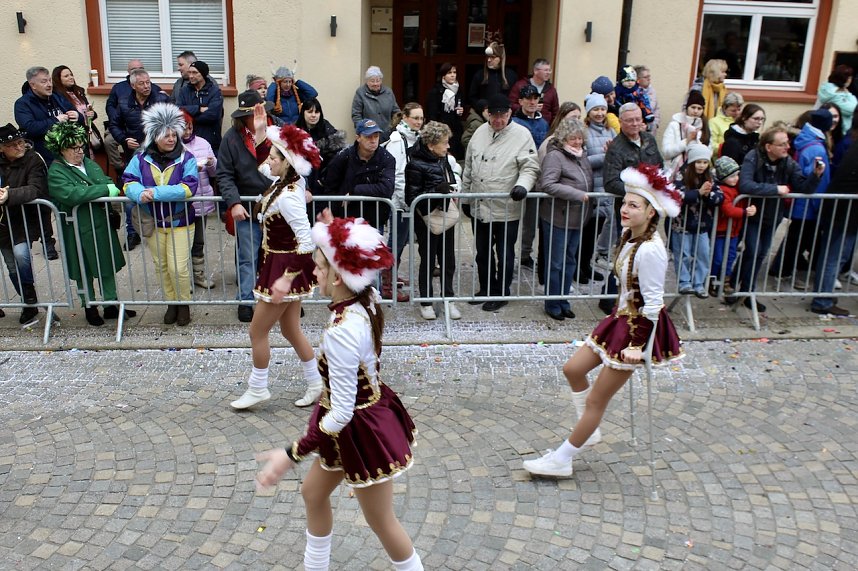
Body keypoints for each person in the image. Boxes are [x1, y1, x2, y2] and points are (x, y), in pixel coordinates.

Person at [254, 212, 422, 571]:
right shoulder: (364, 298)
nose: (314, 273)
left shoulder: (343, 330)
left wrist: (290, 454)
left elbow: (343, 410)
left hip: (360, 428)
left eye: (319, 267)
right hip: (346, 417)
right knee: (313, 493)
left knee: (381, 520)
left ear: (339, 274)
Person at [522, 164, 684, 478]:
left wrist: (638, 347)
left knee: (597, 399)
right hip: (619, 320)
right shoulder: (629, 237)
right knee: (573, 369)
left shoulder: (651, 250)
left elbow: (652, 304)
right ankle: (588, 431)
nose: (625, 209)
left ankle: (564, 457)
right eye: (624, 203)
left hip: (638, 330)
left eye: (634, 206)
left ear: (651, 213)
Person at [231, 124, 324, 410]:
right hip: (276, 263)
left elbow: (306, 242)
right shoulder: (283, 184)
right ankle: (316, 383)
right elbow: (263, 167)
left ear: (287, 164)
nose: (267, 161)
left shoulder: (288, 196)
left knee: (256, 332)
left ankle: (258, 388)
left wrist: (288, 279)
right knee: (291, 330)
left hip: (285, 268)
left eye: (273, 157)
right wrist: (264, 135)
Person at [45, 121, 135, 326]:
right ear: (61, 149)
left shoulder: (88, 163)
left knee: (106, 264)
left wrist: (99, 188)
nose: (79, 151)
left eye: (81, 146)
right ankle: (89, 306)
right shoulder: (57, 171)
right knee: (82, 268)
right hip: (75, 227)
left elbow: (106, 181)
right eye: (74, 148)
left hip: (99, 223)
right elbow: (73, 194)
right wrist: (102, 191)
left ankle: (111, 304)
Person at [729, 126, 824, 312]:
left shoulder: (787, 162)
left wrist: (815, 175)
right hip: (752, 214)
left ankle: (740, 288)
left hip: (773, 216)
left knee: (760, 253)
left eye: (787, 143)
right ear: (768, 147)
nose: (787, 147)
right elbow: (746, 184)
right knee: (753, 251)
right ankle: (743, 291)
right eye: (782, 144)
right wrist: (775, 189)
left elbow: (803, 188)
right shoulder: (753, 158)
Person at [461, 94, 539, 312]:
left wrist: (523, 186)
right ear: (487, 114)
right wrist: (466, 197)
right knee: (483, 252)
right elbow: (469, 167)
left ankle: (501, 292)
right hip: (480, 204)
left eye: (502, 115)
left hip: (506, 207)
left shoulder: (522, 135)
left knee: (505, 253)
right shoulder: (479, 133)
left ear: (509, 113)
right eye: (493, 115)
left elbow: (530, 166)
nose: (497, 120)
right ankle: (486, 288)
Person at [122, 103, 199, 326]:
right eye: (166, 135)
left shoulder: (187, 158)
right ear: (154, 136)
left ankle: (184, 303)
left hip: (181, 223)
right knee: (162, 266)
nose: (172, 139)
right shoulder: (140, 158)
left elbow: (188, 188)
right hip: (154, 224)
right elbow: (128, 182)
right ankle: (171, 303)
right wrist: (139, 194)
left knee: (178, 267)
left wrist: (154, 193)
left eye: (174, 134)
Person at [217, 90, 278, 323]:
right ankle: (245, 301)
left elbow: (292, 165)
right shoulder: (231, 139)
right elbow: (224, 175)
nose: (257, 117)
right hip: (247, 207)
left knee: (278, 256)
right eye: (252, 114)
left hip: (276, 206)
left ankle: (281, 299)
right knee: (247, 257)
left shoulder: (277, 134)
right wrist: (233, 203)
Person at [599, 103, 664, 314]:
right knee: (626, 253)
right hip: (629, 212)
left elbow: (659, 167)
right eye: (629, 120)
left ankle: (639, 295)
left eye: (638, 119)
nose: (635, 123)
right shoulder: (616, 147)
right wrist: (638, 191)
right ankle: (609, 296)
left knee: (644, 254)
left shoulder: (649, 140)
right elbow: (610, 182)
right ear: (621, 122)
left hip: (649, 210)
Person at [405, 120, 462, 321]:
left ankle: (448, 299)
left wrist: (452, 188)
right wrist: (437, 192)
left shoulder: (443, 159)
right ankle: (426, 302)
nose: (448, 146)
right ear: (431, 145)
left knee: (448, 261)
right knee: (428, 261)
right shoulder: (414, 164)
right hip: (426, 220)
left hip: (445, 216)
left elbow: (449, 180)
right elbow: (412, 198)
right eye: (444, 142)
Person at [538, 118, 593, 321]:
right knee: (556, 262)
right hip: (558, 217)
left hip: (578, 218)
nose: (577, 142)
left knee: (570, 261)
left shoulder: (582, 156)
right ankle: (552, 303)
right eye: (573, 138)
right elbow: (548, 184)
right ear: (563, 138)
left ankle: (563, 300)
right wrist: (575, 194)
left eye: (580, 138)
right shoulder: (555, 156)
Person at [768, 108, 832, 281]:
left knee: (800, 237)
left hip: (804, 203)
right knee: (797, 238)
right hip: (809, 203)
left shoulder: (807, 141)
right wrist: (819, 204)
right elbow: (816, 179)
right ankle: (781, 271)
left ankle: (787, 269)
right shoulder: (816, 148)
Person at [0, 123, 50, 325]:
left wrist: (8, 195)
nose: (20, 147)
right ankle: (29, 303)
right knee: (11, 263)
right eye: (13, 144)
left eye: (21, 142)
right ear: (2, 148)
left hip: (23, 220)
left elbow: (36, 189)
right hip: (2, 223)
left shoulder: (33, 159)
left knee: (21, 255)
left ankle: (29, 295)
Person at [810, 126, 858, 316]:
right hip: (845, 212)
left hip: (842, 210)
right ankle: (822, 300)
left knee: (834, 255)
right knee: (835, 256)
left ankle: (824, 294)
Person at [669, 142, 723, 298]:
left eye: (705, 162)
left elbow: (719, 197)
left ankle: (699, 283)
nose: (701, 166)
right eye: (698, 162)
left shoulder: (710, 177)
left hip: (703, 224)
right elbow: (678, 195)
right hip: (682, 224)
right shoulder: (681, 174)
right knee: (683, 254)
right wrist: (698, 193)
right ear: (691, 161)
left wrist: (708, 196)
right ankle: (684, 282)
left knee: (703, 254)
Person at [322, 119, 395, 233]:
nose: (373, 140)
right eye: (368, 137)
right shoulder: (343, 157)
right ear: (358, 137)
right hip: (346, 219)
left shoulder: (386, 158)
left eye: (376, 136)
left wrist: (355, 191)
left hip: (374, 220)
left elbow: (387, 188)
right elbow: (330, 188)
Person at [383, 102, 424, 289]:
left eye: (421, 118)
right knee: (396, 241)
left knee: (403, 239)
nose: (419, 121)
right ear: (405, 117)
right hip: (400, 202)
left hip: (409, 201)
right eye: (415, 118)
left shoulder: (416, 138)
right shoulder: (397, 140)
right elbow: (398, 174)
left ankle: (392, 276)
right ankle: (386, 282)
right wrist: (404, 202)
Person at [512, 85, 550, 270]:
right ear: (520, 101)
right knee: (511, 218)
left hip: (538, 177)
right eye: (528, 98)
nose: (532, 102)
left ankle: (526, 254)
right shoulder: (514, 122)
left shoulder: (544, 123)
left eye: (535, 98)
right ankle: (508, 253)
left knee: (531, 219)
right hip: (516, 176)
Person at [179, 110, 217, 289]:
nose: (187, 132)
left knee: (199, 240)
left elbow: (215, 172)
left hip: (202, 199)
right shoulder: (172, 146)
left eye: (189, 128)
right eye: (183, 129)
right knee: (182, 241)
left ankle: (199, 274)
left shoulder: (203, 143)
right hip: (183, 202)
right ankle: (184, 277)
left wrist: (211, 164)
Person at [710, 156, 756, 297]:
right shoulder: (722, 190)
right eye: (732, 176)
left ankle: (725, 280)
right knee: (717, 258)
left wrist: (751, 207)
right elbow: (728, 209)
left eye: (737, 175)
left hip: (734, 231)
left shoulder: (738, 189)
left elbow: (744, 202)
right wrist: (744, 212)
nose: (736, 178)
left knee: (730, 256)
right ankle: (712, 280)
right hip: (721, 231)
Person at [295, 97, 347, 199]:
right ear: (303, 112)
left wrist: (323, 180)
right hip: (300, 184)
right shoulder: (295, 132)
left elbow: (338, 159)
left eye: (317, 112)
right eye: (310, 112)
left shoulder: (329, 132)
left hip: (323, 185)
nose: (314, 115)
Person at [175, 61, 224, 153]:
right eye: (189, 72)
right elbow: (178, 110)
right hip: (188, 141)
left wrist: (189, 117)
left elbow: (213, 115)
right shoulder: (184, 91)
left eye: (195, 73)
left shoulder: (214, 92)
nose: (191, 76)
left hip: (210, 140)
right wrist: (198, 109)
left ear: (203, 74)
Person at [51, 66, 100, 158]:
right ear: (58, 79)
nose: (71, 77)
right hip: (75, 135)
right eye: (66, 76)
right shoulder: (57, 96)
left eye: (71, 74)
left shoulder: (78, 92)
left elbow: (87, 111)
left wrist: (92, 114)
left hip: (87, 132)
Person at [662, 90, 710, 174]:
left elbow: (709, 152)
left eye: (699, 108)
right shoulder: (674, 125)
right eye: (693, 107)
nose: (696, 111)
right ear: (687, 108)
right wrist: (687, 141)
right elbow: (666, 152)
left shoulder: (705, 127)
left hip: (697, 173)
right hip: (673, 172)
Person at [425, 63, 465, 159]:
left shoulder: (458, 90)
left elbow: (461, 106)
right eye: (449, 73)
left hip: (455, 130)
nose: (452, 75)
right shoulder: (436, 91)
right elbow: (432, 113)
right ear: (443, 75)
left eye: (454, 72)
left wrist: (460, 111)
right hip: (441, 129)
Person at [351, 67, 400, 141]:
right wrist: (363, 131)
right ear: (367, 81)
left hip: (387, 134)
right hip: (368, 135)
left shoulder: (388, 92)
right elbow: (356, 115)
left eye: (378, 80)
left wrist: (393, 128)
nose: (375, 83)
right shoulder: (360, 93)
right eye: (372, 81)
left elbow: (396, 112)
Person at [509, 58, 560, 125]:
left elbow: (555, 112)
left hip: (544, 127)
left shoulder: (551, 89)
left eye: (549, 70)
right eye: (545, 70)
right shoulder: (520, 85)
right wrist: (527, 107)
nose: (548, 73)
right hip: (522, 123)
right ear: (535, 71)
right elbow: (510, 105)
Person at [469, 40, 518, 104]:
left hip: (505, 112)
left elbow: (516, 98)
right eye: (488, 57)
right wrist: (482, 109)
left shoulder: (511, 75)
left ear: (501, 58)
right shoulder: (480, 75)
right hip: (484, 112)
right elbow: (472, 97)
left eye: (492, 57)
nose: (489, 60)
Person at [816, 65, 856, 135]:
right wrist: (848, 94)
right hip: (837, 131)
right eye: (849, 77)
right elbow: (854, 109)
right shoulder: (837, 93)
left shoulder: (826, 89)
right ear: (844, 79)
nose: (850, 80)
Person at [634, 65, 660, 133]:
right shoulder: (633, 93)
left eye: (649, 76)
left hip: (650, 131)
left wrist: (655, 124)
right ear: (638, 79)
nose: (649, 79)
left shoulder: (652, 92)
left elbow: (657, 110)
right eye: (645, 77)